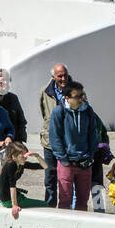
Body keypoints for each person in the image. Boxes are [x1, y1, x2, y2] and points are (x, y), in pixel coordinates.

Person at [49, 81, 99, 212]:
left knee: (83, 200)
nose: (81, 99)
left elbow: (93, 134)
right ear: (67, 98)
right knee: (65, 199)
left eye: (82, 95)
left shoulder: (87, 111)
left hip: (85, 162)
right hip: (67, 163)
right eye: (77, 96)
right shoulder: (59, 112)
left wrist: (91, 155)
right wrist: (64, 159)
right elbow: (55, 137)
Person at [39, 64, 71, 207]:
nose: (63, 78)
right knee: (50, 178)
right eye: (60, 76)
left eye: (65, 75)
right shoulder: (45, 92)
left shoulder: (75, 91)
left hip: (69, 143)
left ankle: (67, 209)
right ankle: (49, 207)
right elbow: (44, 114)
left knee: (68, 178)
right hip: (49, 142)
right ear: (53, 77)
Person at [0, 142, 45, 218]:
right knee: (44, 204)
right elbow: (12, 185)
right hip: (7, 200)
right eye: (22, 156)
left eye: (25, 156)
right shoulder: (11, 165)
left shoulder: (20, 163)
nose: (25, 158)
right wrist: (15, 206)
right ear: (13, 156)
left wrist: (37, 156)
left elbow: (44, 166)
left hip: (16, 196)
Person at [0, 69, 27, 145]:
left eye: (6, 80)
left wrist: (20, 140)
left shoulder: (13, 98)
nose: (4, 82)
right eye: (1, 80)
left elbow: (21, 120)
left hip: (13, 141)